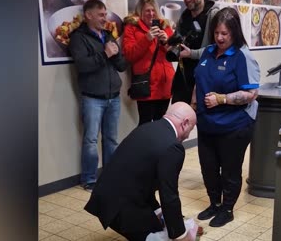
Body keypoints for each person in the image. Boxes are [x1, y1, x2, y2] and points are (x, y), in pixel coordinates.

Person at [84, 102, 198, 241]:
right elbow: (169, 195)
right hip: (121, 208)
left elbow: (143, 178)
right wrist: (181, 235)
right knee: (156, 236)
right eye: (191, 128)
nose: (188, 135)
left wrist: (160, 214)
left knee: (159, 224)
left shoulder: (147, 128)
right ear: (185, 123)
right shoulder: (173, 147)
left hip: (104, 198)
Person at [192, 7, 260, 227]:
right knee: (208, 167)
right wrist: (193, 105)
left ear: (234, 33)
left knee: (230, 170)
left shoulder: (242, 56)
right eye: (216, 33)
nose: (219, 38)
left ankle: (227, 209)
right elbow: (198, 81)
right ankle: (214, 203)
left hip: (234, 126)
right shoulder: (207, 52)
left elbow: (251, 94)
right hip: (207, 124)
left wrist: (222, 99)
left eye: (225, 34)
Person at [69, 0, 128, 192]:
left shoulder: (108, 34)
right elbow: (83, 66)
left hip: (113, 97)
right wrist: (105, 54)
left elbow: (121, 65)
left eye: (105, 14)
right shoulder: (78, 37)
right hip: (92, 98)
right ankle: (89, 179)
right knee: (91, 140)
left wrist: (116, 53)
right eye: (101, 15)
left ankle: (110, 176)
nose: (105, 18)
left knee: (111, 139)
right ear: (88, 15)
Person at [122, 0, 175, 126]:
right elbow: (129, 55)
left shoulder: (165, 26)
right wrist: (147, 38)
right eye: (147, 11)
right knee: (145, 125)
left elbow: (175, 54)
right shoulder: (132, 28)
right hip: (146, 85)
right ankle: (144, 147)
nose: (151, 14)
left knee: (161, 124)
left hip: (165, 84)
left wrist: (166, 42)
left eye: (153, 11)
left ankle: (159, 147)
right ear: (141, 12)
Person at [170, 0, 219, 104]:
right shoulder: (184, 16)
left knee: (201, 122)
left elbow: (217, 50)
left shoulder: (214, 15)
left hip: (204, 81)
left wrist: (191, 53)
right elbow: (178, 41)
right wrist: (170, 42)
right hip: (183, 80)